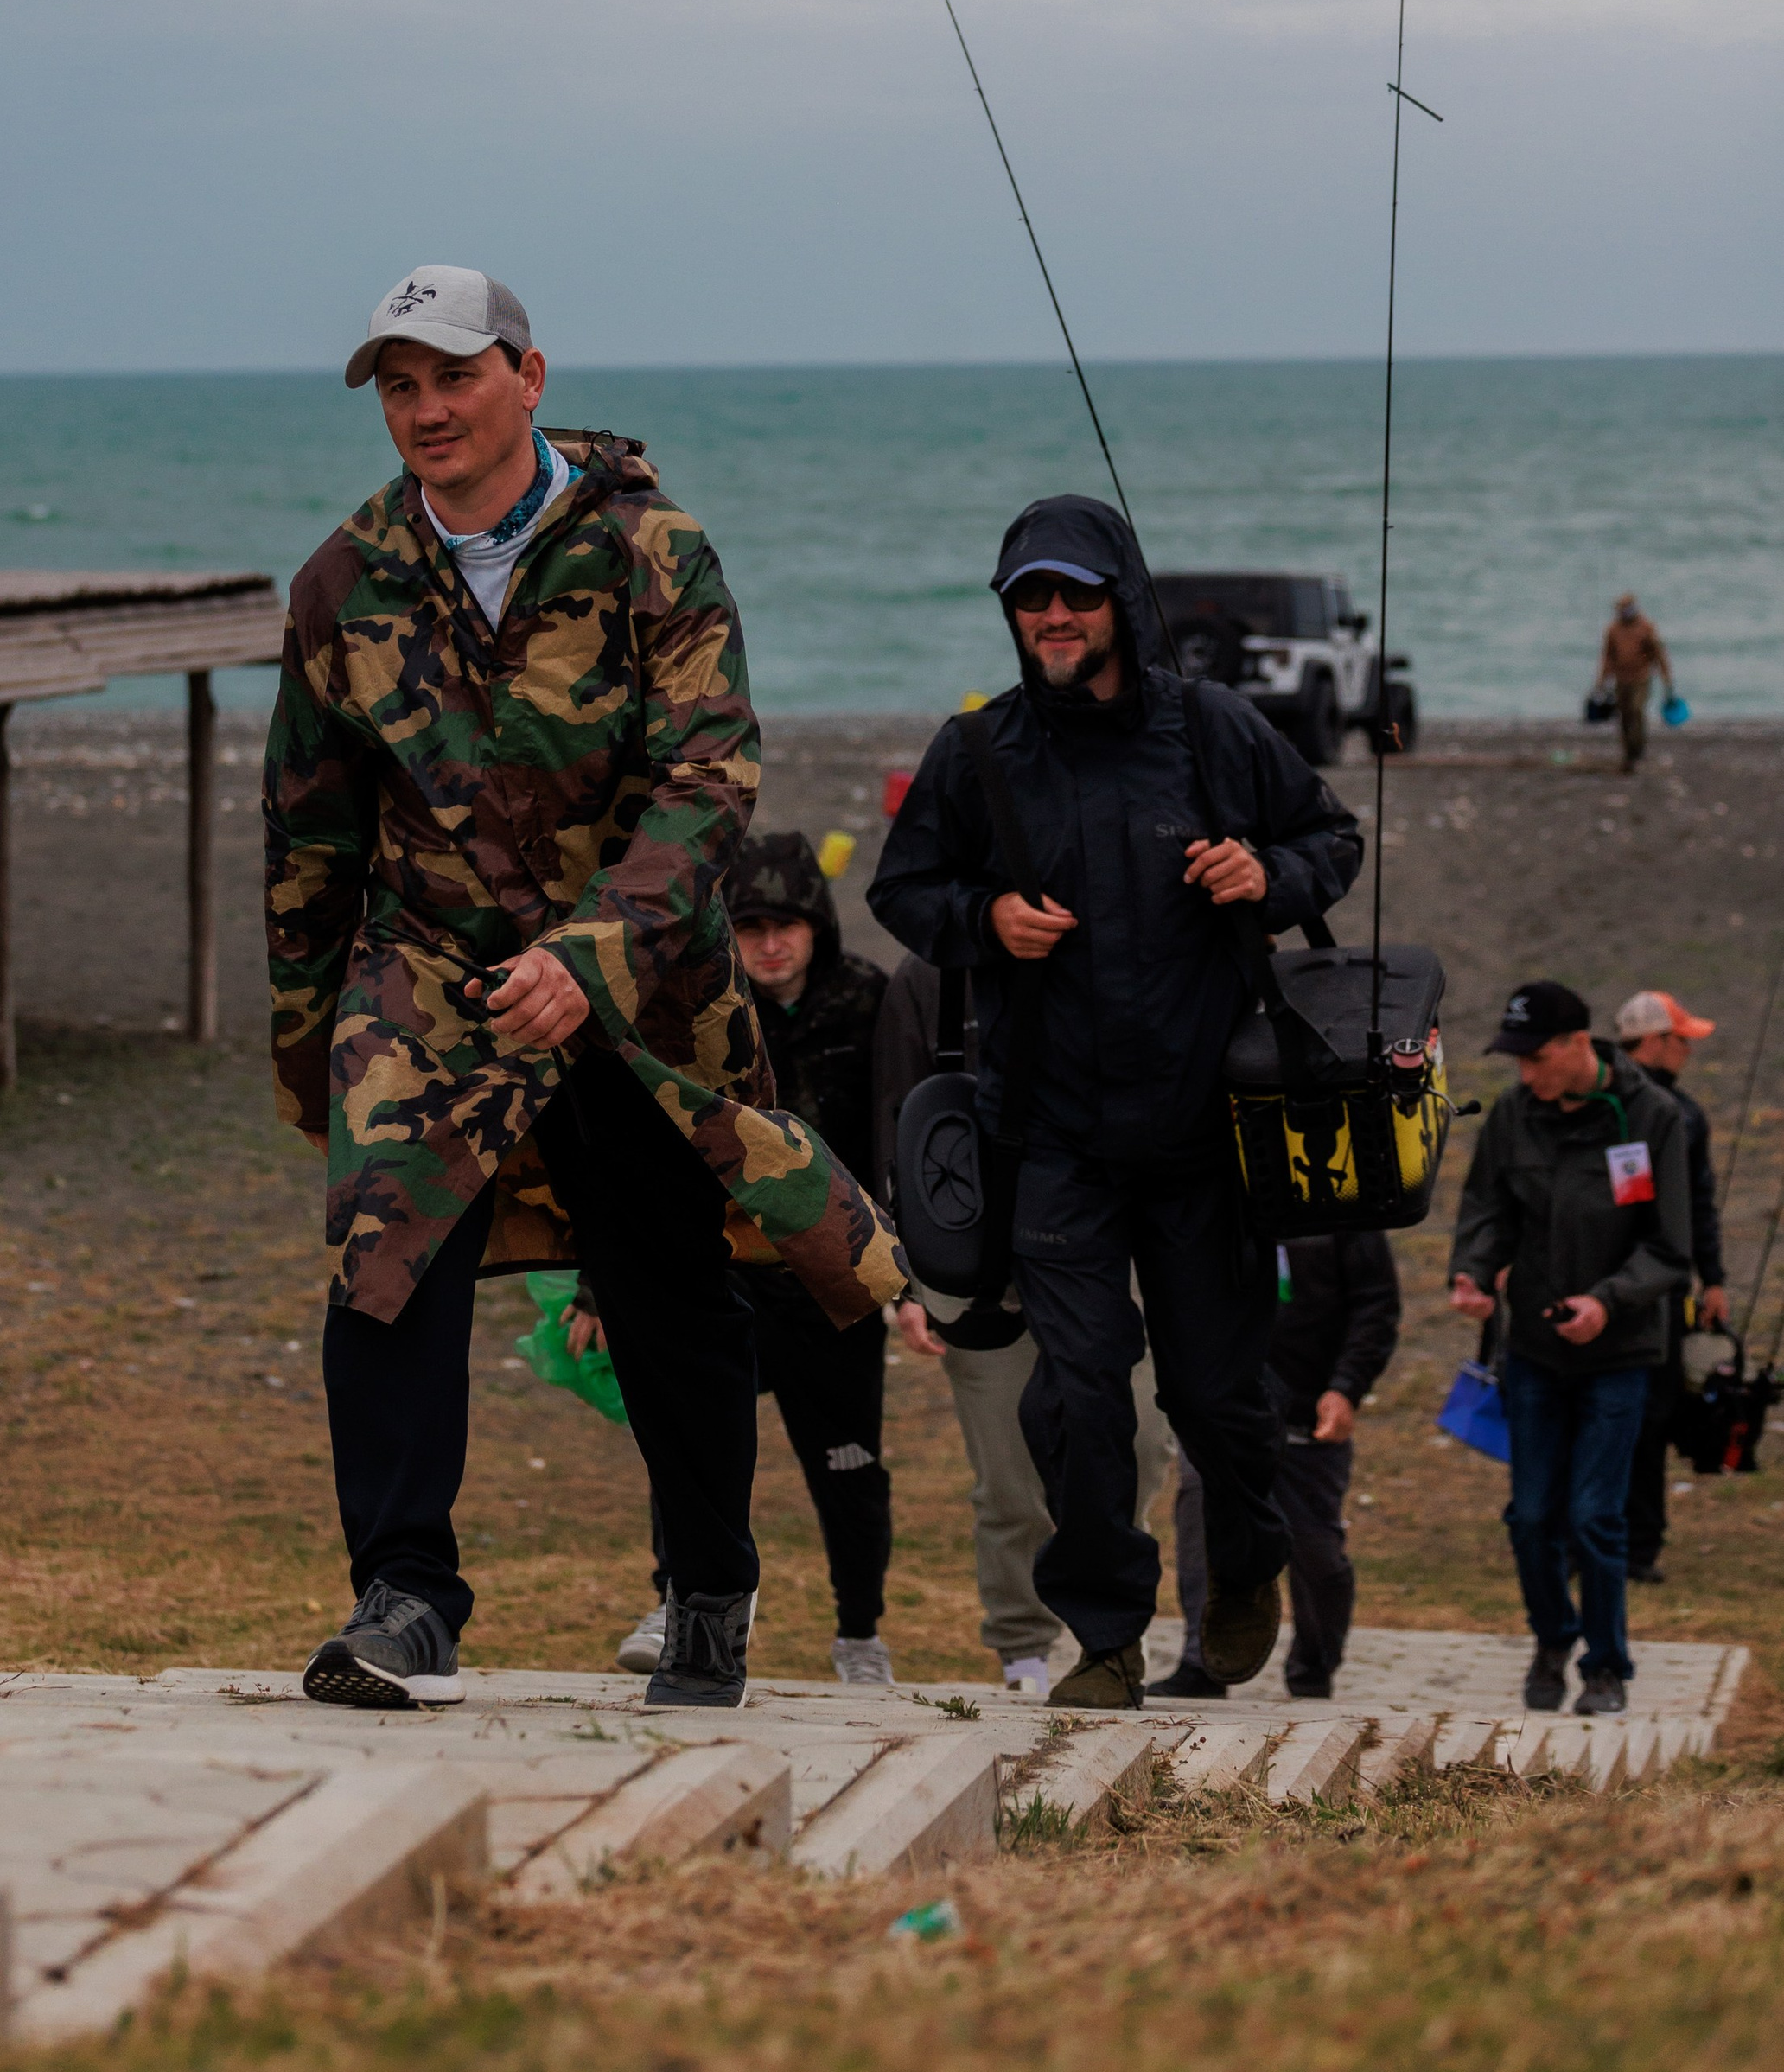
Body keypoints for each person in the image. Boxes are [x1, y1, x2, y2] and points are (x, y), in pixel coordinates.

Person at [265, 264, 900, 1716]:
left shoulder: (651, 552)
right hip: (430, 971)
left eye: (455, 376)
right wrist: (312, 1050)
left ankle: (710, 1587)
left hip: (642, 981)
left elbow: (708, 779)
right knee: (383, 1259)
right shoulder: (343, 581)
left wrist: (592, 957)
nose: (427, 409)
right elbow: (307, 833)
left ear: (529, 378)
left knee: (668, 1292)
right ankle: (404, 1600)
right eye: (401, 387)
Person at [867, 490, 1363, 1710]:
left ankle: (1244, 1564)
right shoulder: (976, 751)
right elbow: (902, 890)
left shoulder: (1217, 730)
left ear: (1121, 602)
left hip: (1204, 1136)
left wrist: (1264, 872)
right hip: (1050, 1136)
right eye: (1029, 597)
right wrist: (985, 917)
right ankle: (1102, 1638)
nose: (1051, 615)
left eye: (1074, 594)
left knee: (1216, 1397)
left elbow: (1331, 841)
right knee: (1083, 1395)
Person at [600, 832, 897, 1686]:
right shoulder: (698, 1003)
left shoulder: (869, 1000)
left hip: (834, 1274)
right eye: (753, 926)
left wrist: (913, 1270)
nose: (770, 944)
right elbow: (644, 1143)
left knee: (849, 1467)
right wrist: (593, 1285)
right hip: (724, 1265)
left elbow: (896, 1128)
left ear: (817, 928)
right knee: (690, 1437)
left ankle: (860, 1636)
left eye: (787, 926)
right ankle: (678, 1601)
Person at [872, 951, 1173, 1694]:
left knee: (1139, 1440)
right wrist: (908, 1281)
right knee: (1009, 1478)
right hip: (980, 1264)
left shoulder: (1118, 942)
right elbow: (900, 1128)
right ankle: (1023, 1649)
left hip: (1103, 1254)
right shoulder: (928, 973)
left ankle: (1111, 1625)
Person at [1449, 979, 1692, 1715]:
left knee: (1595, 1516)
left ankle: (1606, 1666)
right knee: (1530, 1517)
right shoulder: (1514, 1115)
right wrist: (1473, 1271)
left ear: (1578, 1044)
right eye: (1518, 1061)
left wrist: (1607, 1300)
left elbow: (1670, 1248)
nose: (1526, 1074)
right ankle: (1553, 1638)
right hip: (1534, 1349)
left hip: (1619, 1353)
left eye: (1536, 1058)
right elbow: (1487, 1208)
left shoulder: (1652, 1116)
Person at [1156, 1231, 1401, 1700]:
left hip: (1309, 1412)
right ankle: (1203, 1663)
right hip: (1222, 1405)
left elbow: (1376, 1306)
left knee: (1315, 1550)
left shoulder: (1342, 1207)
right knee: (1201, 1516)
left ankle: (1312, 1668)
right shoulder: (1210, 1201)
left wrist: (1346, 1387)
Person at [1615, 988, 1730, 1584]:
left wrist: (1713, 1278)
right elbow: (1698, 1206)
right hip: (1635, 1290)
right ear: (1656, 1041)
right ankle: (1626, 1542)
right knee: (1637, 1415)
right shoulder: (1632, 1106)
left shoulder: (1682, 1114)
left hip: (1650, 1288)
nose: (1688, 1050)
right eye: (1682, 1040)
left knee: (1650, 1415)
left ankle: (1634, 1544)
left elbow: (1699, 1204)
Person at [1596, 596, 1672, 776]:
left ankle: (1638, 750)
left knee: (1637, 710)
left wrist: (1665, 676)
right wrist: (1602, 680)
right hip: (1621, 679)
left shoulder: (1646, 627)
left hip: (1641, 678)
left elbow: (1658, 653)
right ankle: (1628, 753)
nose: (1623, 612)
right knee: (1624, 715)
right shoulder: (1613, 629)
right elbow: (1608, 656)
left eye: (1625, 608)